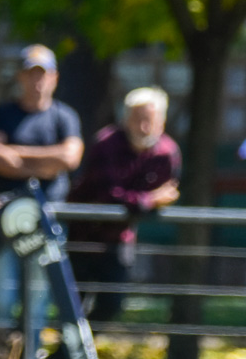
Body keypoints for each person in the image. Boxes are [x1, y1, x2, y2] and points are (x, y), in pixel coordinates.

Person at [0, 44, 83, 359]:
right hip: (4, 226)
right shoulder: (1, 114)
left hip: (47, 226)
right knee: (1, 303)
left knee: (38, 304)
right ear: (21, 77)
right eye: (30, 73)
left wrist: (17, 157)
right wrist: (43, 163)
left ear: (53, 78)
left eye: (43, 74)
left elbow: (70, 159)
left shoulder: (65, 116)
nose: (36, 81)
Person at [66, 86, 180, 321]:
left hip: (120, 239)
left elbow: (170, 191)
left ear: (162, 121)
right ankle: (67, 357)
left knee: (112, 304)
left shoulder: (167, 153)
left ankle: (67, 358)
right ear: (125, 119)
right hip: (82, 236)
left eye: (150, 120)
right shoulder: (106, 144)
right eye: (138, 119)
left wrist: (144, 201)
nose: (144, 127)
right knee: (71, 308)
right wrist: (149, 200)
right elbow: (110, 196)